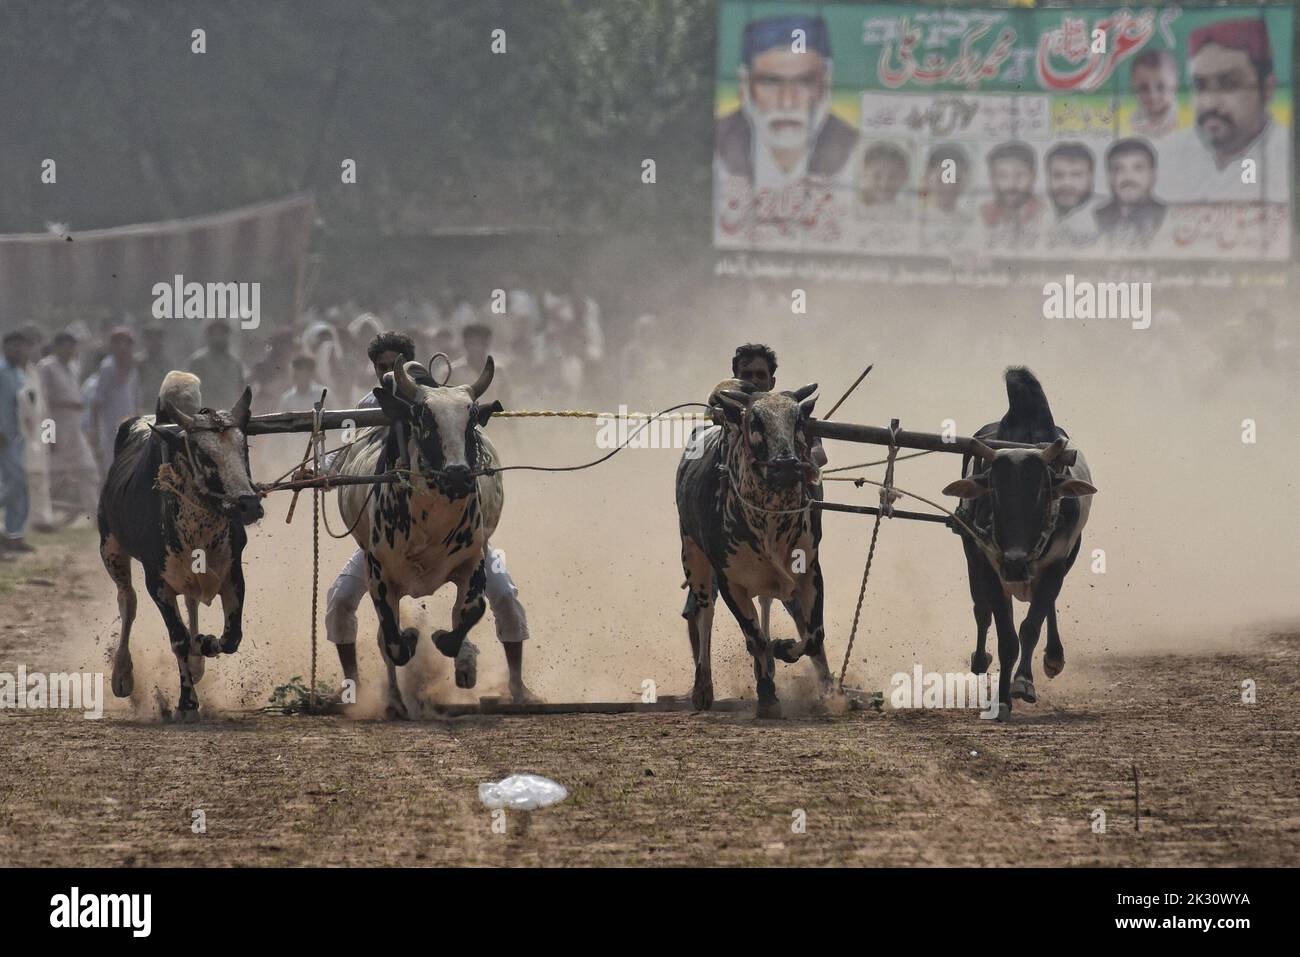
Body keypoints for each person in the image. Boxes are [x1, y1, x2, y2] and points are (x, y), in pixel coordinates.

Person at [318, 331, 536, 704]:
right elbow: (347, 451)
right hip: (389, 536)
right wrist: (320, 472)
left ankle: (515, 683)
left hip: (456, 536)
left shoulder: (444, 402)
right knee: (340, 600)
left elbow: (469, 451)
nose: (388, 372)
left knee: (504, 594)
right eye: (381, 366)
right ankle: (351, 684)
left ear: (407, 363)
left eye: (394, 365)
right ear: (375, 369)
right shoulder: (373, 404)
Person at [714, 14, 860, 190]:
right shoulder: (716, 143)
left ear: (827, 83)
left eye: (805, 81)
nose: (787, 102)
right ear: (744, 84)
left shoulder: (856, 148)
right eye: (771, 82)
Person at [1160, 18, 1288, 202]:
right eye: (1200, 85)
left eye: (1229, 85)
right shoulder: (1170, 153)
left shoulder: (1287, 153)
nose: (1210, 103)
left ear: (1267, 89)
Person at [36, 331, 99, 522]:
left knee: (87, 469)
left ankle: (97, 517)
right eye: (68, 345)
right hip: (56, 423)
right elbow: (42, 402)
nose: (72, 350)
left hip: (74, 424)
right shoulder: (46, 367)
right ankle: (40, 516)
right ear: (58, 346)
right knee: (52, 474)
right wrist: (48, 435)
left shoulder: (72, 367)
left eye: (73, 345)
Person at [1094, 138, 1167, 247]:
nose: (1128, 177)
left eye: (1138, 168)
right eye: (1118, 169)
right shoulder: (1094, 218)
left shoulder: (1168, 216)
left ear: (1153, 175)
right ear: (1109, 177)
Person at [89, 327, 141, 475]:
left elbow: (136, 398)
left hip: (131, 425)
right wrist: (94, 429)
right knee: (112, 465)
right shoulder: (108, 367)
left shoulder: (132, 367)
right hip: (110, 427)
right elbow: (96, 401)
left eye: (127, 343)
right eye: (118, 342)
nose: (123, 347)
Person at [0, 331, 34, 553]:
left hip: (16, 437)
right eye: (14, 346)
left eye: (22, 346)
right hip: (3, 437)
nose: (19, 350)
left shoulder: (19, 374)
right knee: (15, 483)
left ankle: (14, 535)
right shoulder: (2, 371)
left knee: (18, 485)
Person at [980, 141, 1043, 235]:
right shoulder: (981, 216)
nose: (1012, 184)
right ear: (992, 179)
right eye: (1002, 176)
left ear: (1033, 176)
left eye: (1020, 175)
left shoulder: (1046, 214)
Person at [1044, 142, 1100, 247]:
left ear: (1091, 178)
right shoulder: (1039, 209)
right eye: (1058, 175)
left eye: (1076, 175)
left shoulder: (1104, 216)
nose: (1066, 183)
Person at [187, 318, 246, 410]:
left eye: (223, 332)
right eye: (216, 333)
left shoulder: (235, 363)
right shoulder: (198, 362)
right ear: (209, 335)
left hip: (229, 415)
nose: (220, 337)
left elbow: (241, 391)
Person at [1129, 48, 1179, 138]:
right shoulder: (1132, 120)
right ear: (1133, 86)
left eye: (1161, 87)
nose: (1152, 96)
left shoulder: (1184, 118)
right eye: (1143, 88)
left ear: (1175, 83)